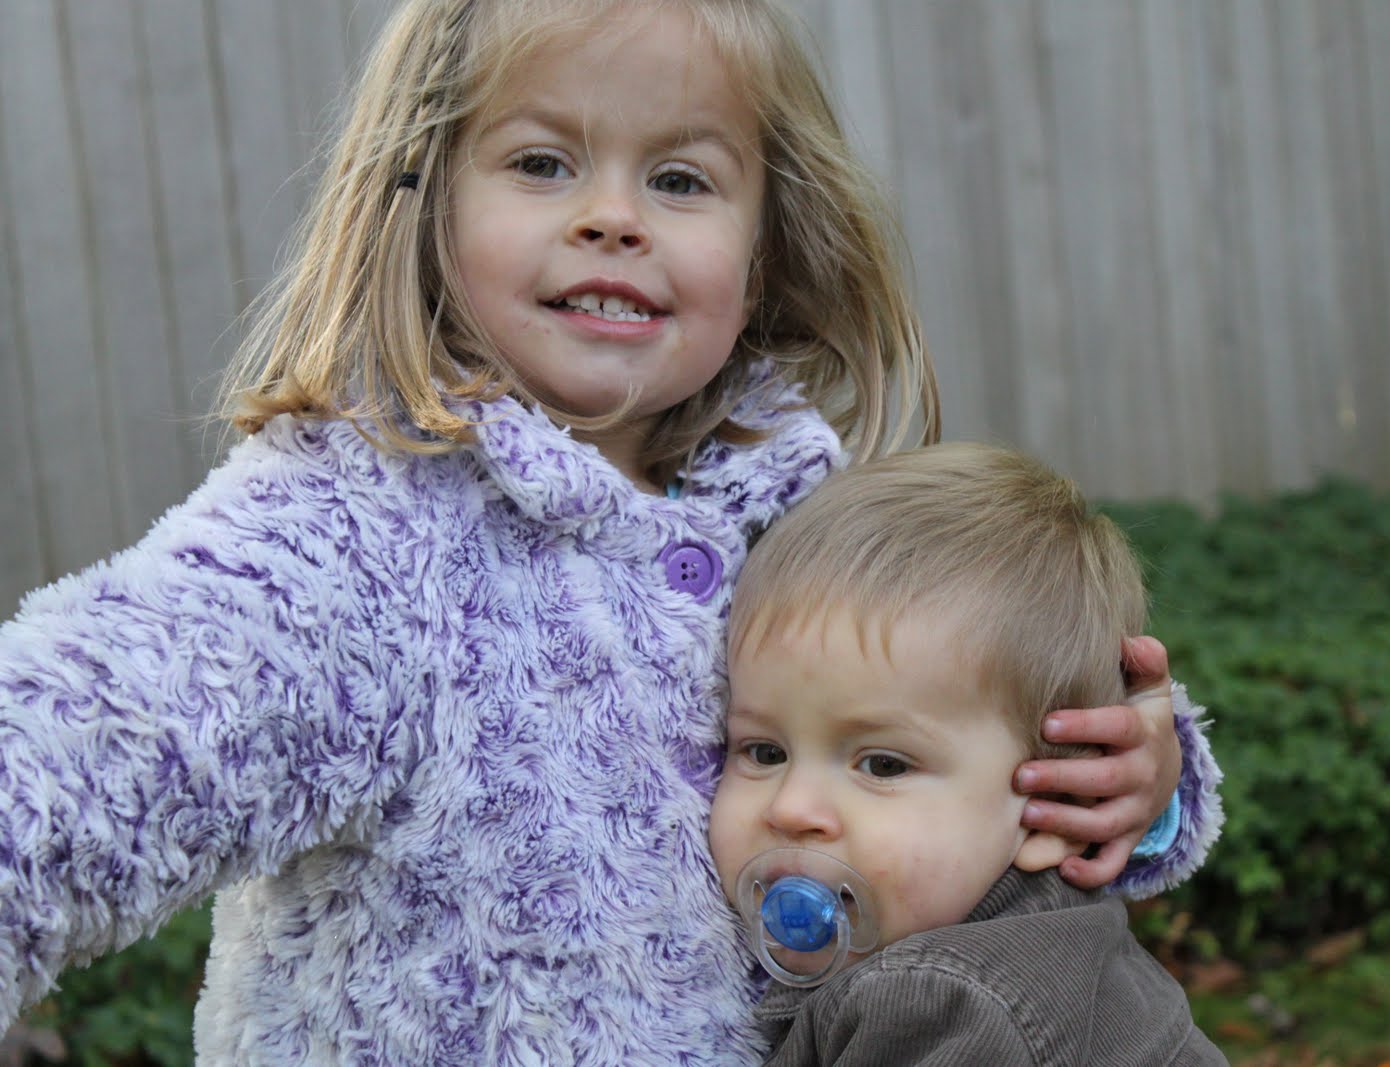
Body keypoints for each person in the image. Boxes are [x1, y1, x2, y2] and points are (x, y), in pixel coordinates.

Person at [0, 1, 1218, 1063]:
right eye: (541, 162)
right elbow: (69, 757)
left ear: (764, 243)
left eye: (680, 180)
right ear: (422, 203)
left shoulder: (792, 506)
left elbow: (970, 741)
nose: (612, 217)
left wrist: (1130, 786)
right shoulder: (351, 538)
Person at [709, 442, 1226, 1065]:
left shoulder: (939, 1005)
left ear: (1059, 807)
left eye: (883, 765)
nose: (792, 809)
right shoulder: (1026, 944)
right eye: (765, 752)